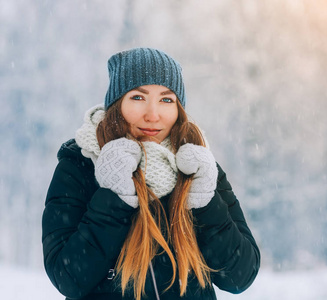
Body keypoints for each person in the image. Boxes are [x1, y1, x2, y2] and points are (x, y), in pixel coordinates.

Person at [42, 48, 260, 300]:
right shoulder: (80, 165)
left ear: (179, 109)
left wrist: (205, 204)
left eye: (166, 100)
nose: (153, 114)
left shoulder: (199, 167)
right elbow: (67, 278)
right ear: (117, 104)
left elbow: (240, 276)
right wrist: (114, 196)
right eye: (137, 97)